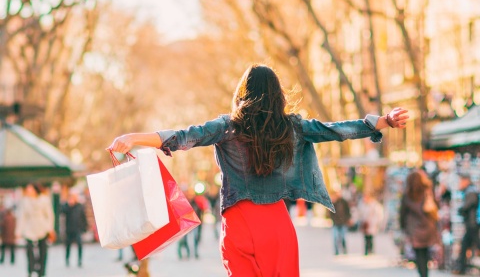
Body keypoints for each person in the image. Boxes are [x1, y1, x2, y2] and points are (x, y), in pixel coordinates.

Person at [108, 64, 409, 276]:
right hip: (277, 226)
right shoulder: (292, 127)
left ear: (243, 92)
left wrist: (135, 138)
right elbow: (334, 130)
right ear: (277, 95)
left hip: (239, 224)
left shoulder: (227, 127)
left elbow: (184, 136)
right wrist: (382, 120)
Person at [400, 170, 439, 277]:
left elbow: (402, 212)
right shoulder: (427, 191)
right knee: (426, 251)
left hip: (414, 228)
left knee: (418, 253)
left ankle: (423, 273)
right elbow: (435, 205)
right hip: (427, 226)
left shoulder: (407, 194)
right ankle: (425, 273)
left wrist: (403, 226)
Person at [16, 183, 55, 277]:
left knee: (43, 251)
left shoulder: (44, 199)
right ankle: (31, 269)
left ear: (35, 189)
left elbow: (49, 215)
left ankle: (42, 270)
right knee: (29, 251)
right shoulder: (25, 201)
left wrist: (50, 229)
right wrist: (18, 231)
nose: (28, 192)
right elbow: (22, 216)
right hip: (29, 228)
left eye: (30, 189)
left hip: (42, 227)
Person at [453, 172, 479, 275]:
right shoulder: (470, 190)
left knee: (474, 243)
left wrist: (460, 210)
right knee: (465, 245)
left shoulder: (470, 191)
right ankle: (461, 267)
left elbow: (467, 206)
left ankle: (461, 267)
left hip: (472, 223)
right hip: (471, 223)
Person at [61, 190, 87, 268]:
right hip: (69, 229)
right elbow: (62, 211)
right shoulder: (66, 206)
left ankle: (79, 260)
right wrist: (68, 205)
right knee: (68, 246)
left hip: (78, 229)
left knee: (79, 245)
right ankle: (67, 260)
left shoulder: (79, 206)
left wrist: (84, 227)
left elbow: (83, 217)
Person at [328, 190, 351, 255]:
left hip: (343, 223)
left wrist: (347, 219)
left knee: (343, 237)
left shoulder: (344, 202)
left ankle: (344, 249)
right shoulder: (333, 203)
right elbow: (330, 212)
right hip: (336, 223)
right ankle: (336, 251)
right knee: (335, 238)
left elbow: (348, 211)